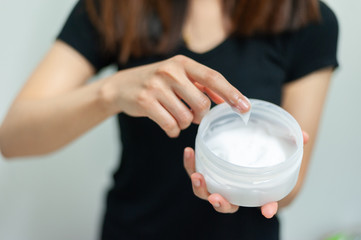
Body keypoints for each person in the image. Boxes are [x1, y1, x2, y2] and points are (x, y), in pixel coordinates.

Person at [0, 0, 338, 239]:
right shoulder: (117, 6)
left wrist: (239, 186)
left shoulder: (307, 18)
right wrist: (112, 91)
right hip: (132, 229)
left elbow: (288, 188)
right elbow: (12, 137)